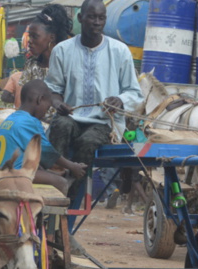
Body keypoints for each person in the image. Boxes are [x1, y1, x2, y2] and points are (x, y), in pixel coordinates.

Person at [45, 0, 142, 171]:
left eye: (101, 18)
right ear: (80, 18)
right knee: (60, 125)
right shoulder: (62, 50)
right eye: (91, 17)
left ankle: (71, 192)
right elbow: (53, 89)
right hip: (71, 118)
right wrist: (58, 103)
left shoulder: (120, 51)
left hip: (105, 122)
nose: (97, 22)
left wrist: (120, 100)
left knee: (87, 141)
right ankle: (52, 178)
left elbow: (134, 93)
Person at [0, 79, 86, 195]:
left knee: (51, 173)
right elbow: (46, 152)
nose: (46, 112)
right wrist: (72, 166)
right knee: (60, 183)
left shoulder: (11, 119)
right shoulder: (30, 122)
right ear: (40, 99)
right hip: (14, 172)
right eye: (47, 107)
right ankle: (50, 213)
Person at [18, 4, 72, 119]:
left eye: (34, 37)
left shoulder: (67, 65)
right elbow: (21, 103)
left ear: (52, 37)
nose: (30, 42)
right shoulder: (31, 65)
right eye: (29, 36)